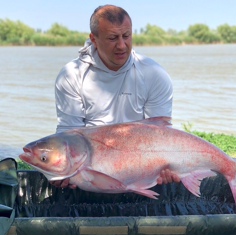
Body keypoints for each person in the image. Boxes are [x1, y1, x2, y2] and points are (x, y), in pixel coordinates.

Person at [51, 4, 180, 189]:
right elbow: (70, 135)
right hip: (91, 172)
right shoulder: (72, 75)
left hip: (142, 166)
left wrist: (166, 167)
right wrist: (63, 169)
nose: (121, 45)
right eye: (112, 38)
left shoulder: (154, 74)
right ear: (93, 39)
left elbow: (159, 132)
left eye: (126, 36)